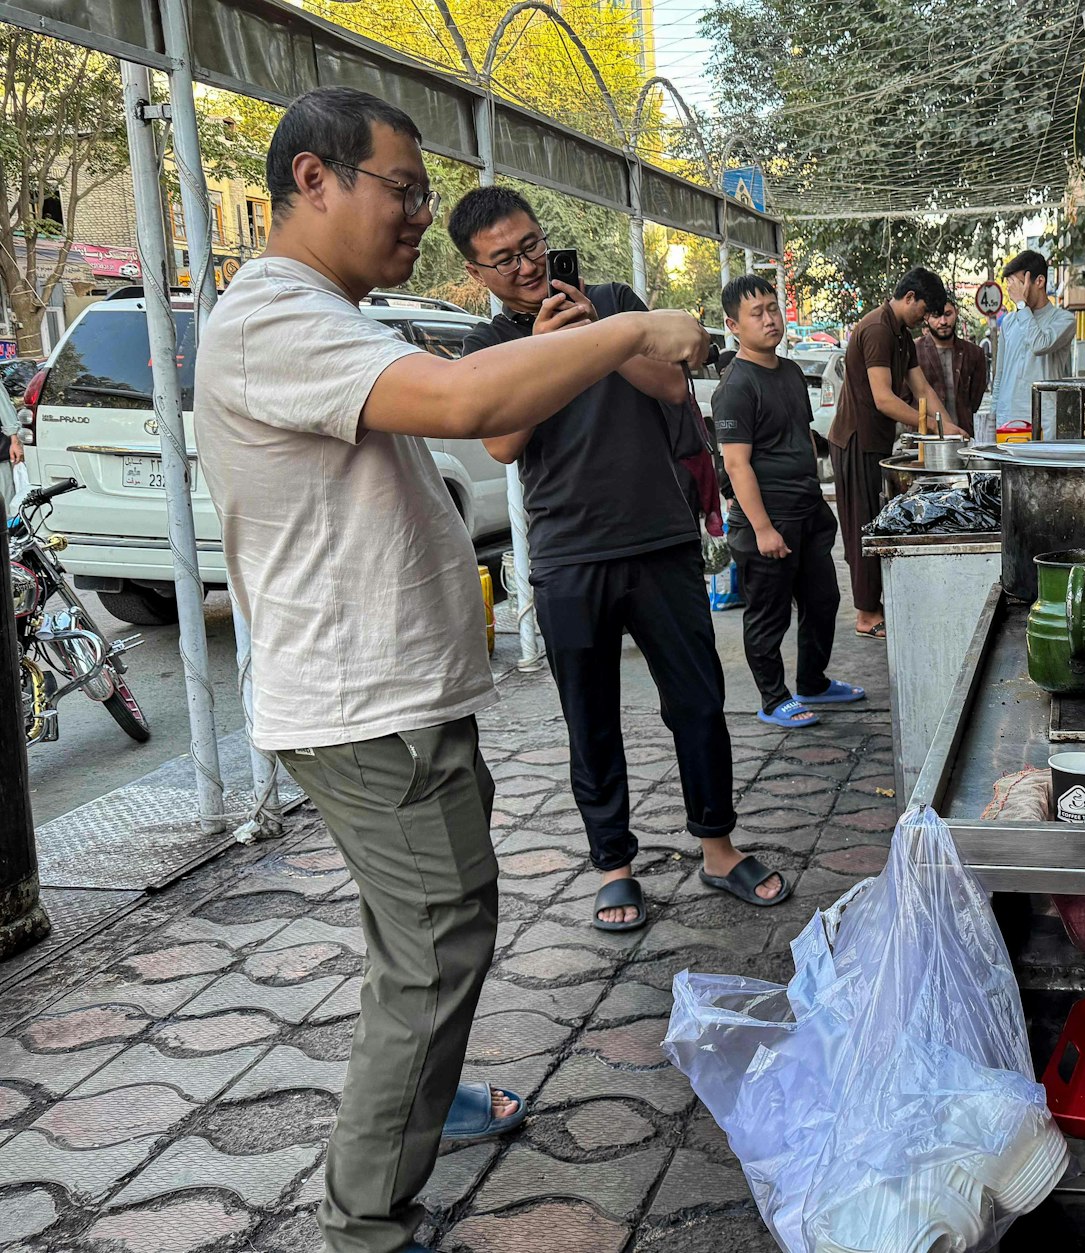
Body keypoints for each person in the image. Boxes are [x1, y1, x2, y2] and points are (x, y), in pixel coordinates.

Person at [192, 88, 708, 1253]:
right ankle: (367, 1217)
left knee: (420, 939)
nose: (419, 215)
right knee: (436, 951)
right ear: (314, 179)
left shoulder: (331, 311)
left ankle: (426, 1102)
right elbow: (472, 406)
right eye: (404, 189)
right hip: (365, 708)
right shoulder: (276, 314)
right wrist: (624, 331)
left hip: (398, 695)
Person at [450, 185, 792, 936]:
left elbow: (672, 385)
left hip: (660, 536)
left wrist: (600, 332)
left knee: (699, 703)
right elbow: (503, 444)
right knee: (590, 719)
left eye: (532, 246)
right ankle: (615, 865)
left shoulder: (611, 300)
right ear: (477, 274)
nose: (527, 265)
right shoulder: (486, 347)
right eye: (503, 260)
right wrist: (549, 348)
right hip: (569, 552)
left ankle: (719, 846)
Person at [714, 274, 864, 729]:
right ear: (733, 325)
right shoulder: (736, 386)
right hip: (767, 522)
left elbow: (796, 437)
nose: (769, 319)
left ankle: (813, 682)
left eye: (773, 308)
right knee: (769, 615)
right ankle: (773, 698)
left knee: (822, 602)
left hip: (807, 513)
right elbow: (737, 466)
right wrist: (762, 528)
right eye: (756, 313)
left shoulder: (792, 372)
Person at [827, 267, 961, 640]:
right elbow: (884, 399)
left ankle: (874, 603)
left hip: (876, 442)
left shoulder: (901, 333)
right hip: (855, 440)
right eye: (925, 311)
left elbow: (921, 388)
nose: (927, 320)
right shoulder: (877, 330)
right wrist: (931, 426)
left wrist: (948, 427)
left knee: (878, 521)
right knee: (863, 527)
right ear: (909, 298)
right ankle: (866, 615)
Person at [988, 249, 1076, 433]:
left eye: (1019, 284)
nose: (1014, 292)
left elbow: (1039, 344)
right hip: (1007, 422)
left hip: (1043, 422)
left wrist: (1021, 304)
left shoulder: (1064, 320)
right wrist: (992, 419)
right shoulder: (1009, 322)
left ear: (1040, 281)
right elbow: (1000, 376)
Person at [915, 298, 988, 430]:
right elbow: (904, 397)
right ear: (926, 318)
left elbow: (975, 399)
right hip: (924, 438)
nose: (943, 322)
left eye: (948, 314)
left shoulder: (974, 353)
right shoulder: (914, 351)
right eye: (936, 316)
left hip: (962, 435)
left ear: (957, 313)